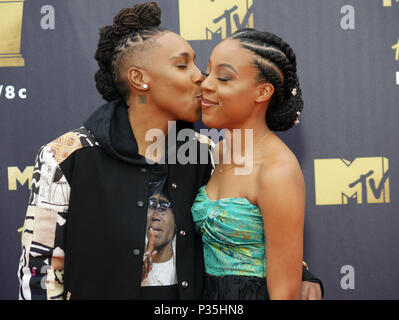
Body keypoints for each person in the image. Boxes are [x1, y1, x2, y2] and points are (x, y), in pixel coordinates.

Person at [17, 2, 321, 299]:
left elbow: (242, 231)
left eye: (197, 64)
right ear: (140, 78)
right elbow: (38, 275)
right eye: (182, 65)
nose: (200, 77)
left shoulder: (205, 154)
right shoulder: (67, 157)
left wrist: (300, 275)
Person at [192, 28, 320, 299]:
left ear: (262, 92)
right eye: (209, 71)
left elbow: (284, 292)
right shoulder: (216, 153)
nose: (206, 84)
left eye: (224, 78)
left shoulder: (277, 170)